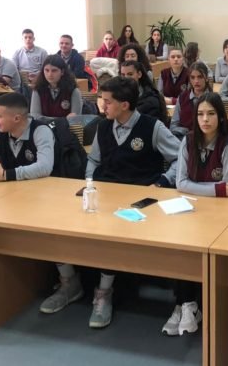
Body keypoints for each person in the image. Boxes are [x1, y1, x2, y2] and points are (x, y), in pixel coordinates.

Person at [55, 77, 178, 328]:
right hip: (105, 193)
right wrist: (89, 182)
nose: (102, 105)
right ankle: (69, 282)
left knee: (109, 233)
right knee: (58, 224)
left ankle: (104, 291)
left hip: (138, 200)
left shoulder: (151, 127)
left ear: (124, 105)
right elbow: (94, 160)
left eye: (107, 101)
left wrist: (163, 182)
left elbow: (180, 158)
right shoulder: (103, 126)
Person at [163, 93, 228, 337]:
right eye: (200, 114)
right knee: (180, 243)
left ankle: (184, 304)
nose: (205, 119)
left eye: (211, 114)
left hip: (221, 215)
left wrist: (201, 188)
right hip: (190, 209)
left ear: (221, 117)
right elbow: (181, 183)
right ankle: (185, 304)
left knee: (198, 244)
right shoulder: (188, 140)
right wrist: (216, 189)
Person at [0, 92, 54, 182]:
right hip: (9, 187)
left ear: (17, 118)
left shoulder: (41, 131)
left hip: (43, 187)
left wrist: (4, 175)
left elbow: (45, 167)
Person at [30, 55, 82, 121]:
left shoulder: (73, 90)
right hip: (43, 127)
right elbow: (35, 117)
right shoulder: (38, 89)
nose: (49, 74)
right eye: (46, 70)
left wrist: (45, 119)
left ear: (62, 72)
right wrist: (63, 120)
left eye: (54, 70)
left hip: (66, 127)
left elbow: (75, 119)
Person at [170, 63, 212, 139]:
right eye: (192, 77)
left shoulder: (213, 99)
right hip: (184, 139)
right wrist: (187, 133)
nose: (196, 81)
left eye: (200, 77)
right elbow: (173, 125)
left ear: (206, 78)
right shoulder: (182, 97)